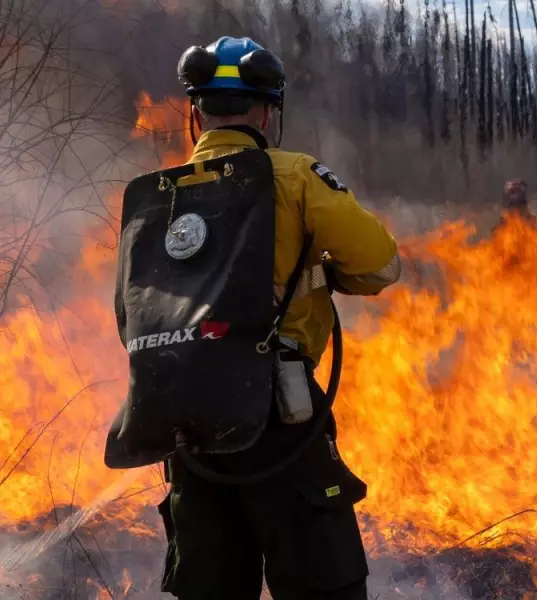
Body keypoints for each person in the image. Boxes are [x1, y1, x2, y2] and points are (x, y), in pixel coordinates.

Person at [149, 37, 401, 599]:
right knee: (323, 585)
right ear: (267, 112)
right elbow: (382, 264)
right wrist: (327, 276)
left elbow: (133, 316)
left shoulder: (160, 196)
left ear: (196, 113)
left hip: (188, 423)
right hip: (277, 421)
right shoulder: (296, 175)